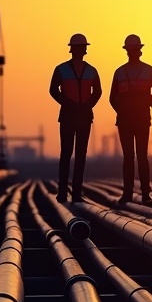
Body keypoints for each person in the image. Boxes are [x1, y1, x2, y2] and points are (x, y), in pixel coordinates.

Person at [109, 33, 152, 205]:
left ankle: (144, 193)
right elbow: (112, 98)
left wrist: (143, 106)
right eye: (131, 50)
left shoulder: (148, 71)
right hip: (129, 120)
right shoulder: (120, 72)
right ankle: (129, 194)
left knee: (140, 156)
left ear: (139, 51)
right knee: (130, 157)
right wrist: (126, 111)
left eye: (134, 50)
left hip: (140, 119)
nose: (133, 53)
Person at [48, 33, 102, 202]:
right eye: (82, 47)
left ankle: (76, 193)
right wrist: (69, 103)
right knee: (66, 154)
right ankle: (63, 192)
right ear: (75, 49)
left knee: (80, 155)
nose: (83, 49)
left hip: (84, 116)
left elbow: (98, 92)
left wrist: (87, 105)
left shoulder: (92, 71)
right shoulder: (61, 69)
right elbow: (53, 90)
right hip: (68, 116)